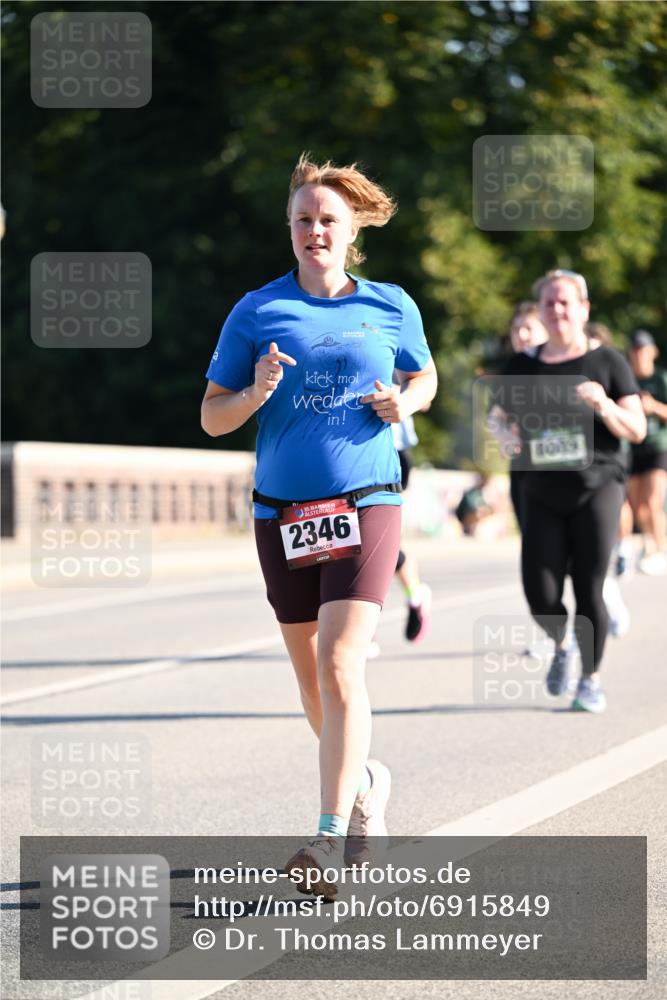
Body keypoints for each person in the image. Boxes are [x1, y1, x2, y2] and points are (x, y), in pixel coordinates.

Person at [201, 153, 437, 896]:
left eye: (327, 219)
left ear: (351, 230)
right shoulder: (256, 311)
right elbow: (212, 418)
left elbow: (424, 375)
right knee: (311, 683)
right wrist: (255, 391)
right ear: (290, 229)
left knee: (340, 663)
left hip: (368, 500)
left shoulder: (390, 305)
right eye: (302, 219)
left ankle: (327, 838)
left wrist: (407, 402)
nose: (315, 231)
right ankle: (364, 783)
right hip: (281, 514)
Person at [494, 269, 646, 712]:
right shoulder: (522, 365)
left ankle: (590, 680)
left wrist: (604, 405)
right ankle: (562, 645)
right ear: (540, 311)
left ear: (583, 309)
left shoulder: (608, 363)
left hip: (597, 486)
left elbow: (636, 429)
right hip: (540, 488)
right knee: (539, 593)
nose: (557, 310)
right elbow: (497, 417)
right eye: (549, 303)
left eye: (565, 302)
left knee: (589, 587)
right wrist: (503, 435)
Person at [626, 329, 667, 575]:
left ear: (652, 352)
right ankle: (650, 543)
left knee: (652, 502)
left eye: (643, 350)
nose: (639, 355)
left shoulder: (661, 378)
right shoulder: (627, 379)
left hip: (658, 446)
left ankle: (660, 550)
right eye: (635, 351)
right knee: (637, 506)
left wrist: (653, 407)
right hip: (633, 448)